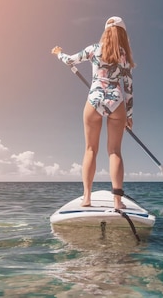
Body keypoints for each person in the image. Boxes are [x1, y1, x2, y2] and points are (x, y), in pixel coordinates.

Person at [51, 16, 135, 210]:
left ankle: (87, 198)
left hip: (95, 99)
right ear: (123, 34)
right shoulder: (124, 57)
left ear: (106, 31)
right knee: (114, 152)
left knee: (90, 149)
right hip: (116, 101)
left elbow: (69, 60)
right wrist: (129, 115)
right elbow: (129, 88)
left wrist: (59, 53)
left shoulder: (93, 49)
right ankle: (117, 201)